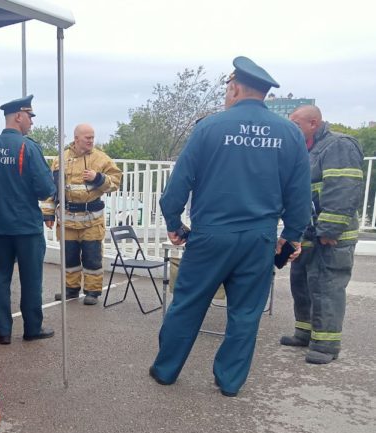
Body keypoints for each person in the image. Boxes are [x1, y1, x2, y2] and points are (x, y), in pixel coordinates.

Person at [148, 56, 312, 397]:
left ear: (235, 87)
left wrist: (174, 222)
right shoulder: (290, 134)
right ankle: (229, 381)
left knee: (187, 304)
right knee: (245, 313)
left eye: (227, 87)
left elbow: (178, 185)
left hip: (210, 236)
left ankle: (166, 371)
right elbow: (299, 195)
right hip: (259, 239)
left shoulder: (209, 127)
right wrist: (291, 236)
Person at [280, 105, 365, 364]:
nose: (290, 127)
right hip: (308, 232)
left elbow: (343, 189)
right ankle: (304, 333)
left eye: (295, 123)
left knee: (327, 287)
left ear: (314, 123)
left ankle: (326, 345)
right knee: (302, 284)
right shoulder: (306, 149)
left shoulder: (339, 145)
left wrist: (330, 229)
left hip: (330, 235)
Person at [0, 95, 56, 344]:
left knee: (0, 279)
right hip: (26, 228)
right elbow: (45, 189)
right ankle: (32, 328)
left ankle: (3, 332)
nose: (31, 123)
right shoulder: (28, 148)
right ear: (19, 116)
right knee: (31, 279)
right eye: (30, 117)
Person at [42, 124, 122, 305]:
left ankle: (92, 292)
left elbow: (116, 182)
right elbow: (51, 188)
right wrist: (48, 214)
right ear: (76, 139)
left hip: (91, 221)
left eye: (93, 137)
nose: (91, 141)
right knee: (69, 257)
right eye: (87, 138)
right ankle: (71, 289)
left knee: (92, 257)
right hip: (68, 220)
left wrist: (98, 178)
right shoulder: (60, 159)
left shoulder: (101, 159)